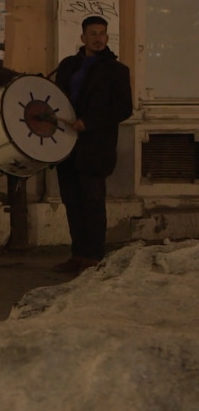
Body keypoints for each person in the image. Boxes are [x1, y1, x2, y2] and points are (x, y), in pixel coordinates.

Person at [50, 16, 133, 272]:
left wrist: (89, 122)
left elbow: (123, 108)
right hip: (66, 144)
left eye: (102, 34)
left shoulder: (116, 70)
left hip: (96, 147)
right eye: (93, 34)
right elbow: (55, 97)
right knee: (72, 202)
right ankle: (78, 255)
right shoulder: (68, 65)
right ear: (83, 37)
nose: (98, 39)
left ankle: (94, 257)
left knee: (93, 203)